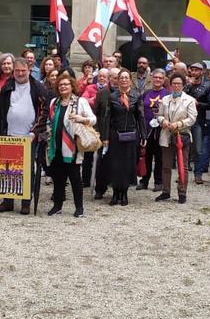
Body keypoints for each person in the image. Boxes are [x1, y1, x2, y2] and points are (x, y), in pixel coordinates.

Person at [0, 56, 48, 214]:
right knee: (7, 169)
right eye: (17, 70)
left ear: (29, 70)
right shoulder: (7, 86)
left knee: (27, 170)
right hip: (8, 134)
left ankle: (25, 202)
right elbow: (0, 112)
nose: (20, 73)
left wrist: (35, 131)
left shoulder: (38, 87)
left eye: (23, 70)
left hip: (28, 136)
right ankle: (7, 201)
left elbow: (44, 112)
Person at [44, 75, 97, 217]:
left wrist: (82, 119)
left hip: (72, 147)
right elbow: (49, 121)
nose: (63, 87)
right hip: (55, 147)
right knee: (58, 178)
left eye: (66, 84)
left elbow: (93, 119)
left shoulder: (80, 102)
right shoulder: (54, 102)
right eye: (60, 84)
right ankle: (57, 206)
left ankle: (79, 208)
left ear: (72, 86)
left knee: (75, 179)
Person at [153, 72, 197, 204]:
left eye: (179, 84)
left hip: (181, 135)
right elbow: (159, 115)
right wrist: (163, 121)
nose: (176, 86)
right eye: (174, 84)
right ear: (171, 85)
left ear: (183, 85)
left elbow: (192, 118)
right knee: (166, 165)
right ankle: (166, 191)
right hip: (167, 134)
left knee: (182, 166)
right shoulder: (165, 99)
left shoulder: (189, 100)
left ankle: (182, 192)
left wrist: (179, 124)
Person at [106, 69, 145, 206]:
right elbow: (108, 118)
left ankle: (124, 193)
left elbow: (140, 116)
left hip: (131, 135)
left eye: (126, 77)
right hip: (115, 134)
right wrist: (105, 137)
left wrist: (143, 135)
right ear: (118, 80)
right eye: (121, 77)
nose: (123, 80)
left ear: (130, 80)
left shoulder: (136, 95)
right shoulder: (112, 96)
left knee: (127, 165)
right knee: (115, 165)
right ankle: (115, 193)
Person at [81, 66, 113, 199]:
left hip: (112, 130)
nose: (101, 78)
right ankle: (88, 181)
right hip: (96, 127)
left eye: (104, 76)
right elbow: (86, 102)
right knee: (91, 156)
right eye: (99, 75)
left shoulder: (113, 91)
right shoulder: (92, 89)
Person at [138, 69, 168, 191]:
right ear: (152, 78)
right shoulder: (146, 93)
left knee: (160, 157)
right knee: (146, 156)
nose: (157, 80)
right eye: (156, 77)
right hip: (147, 128)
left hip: (161, 129)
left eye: (160, 78)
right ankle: (144, 181)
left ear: (164, 79)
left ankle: (158, 182)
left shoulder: (167, 94)